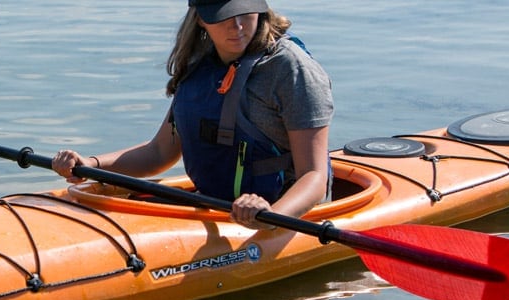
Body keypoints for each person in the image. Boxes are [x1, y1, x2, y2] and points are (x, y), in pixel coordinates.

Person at [52, 0, 333, 230]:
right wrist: (91, 163)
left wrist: (269, 217)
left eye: (246, 14)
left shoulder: (291, 70)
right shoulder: (200, 65)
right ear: (200, 19)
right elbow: (159, 152)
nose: (237, 27)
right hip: (216, 207)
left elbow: (314, 178)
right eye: (224, 17)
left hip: (282, 213)